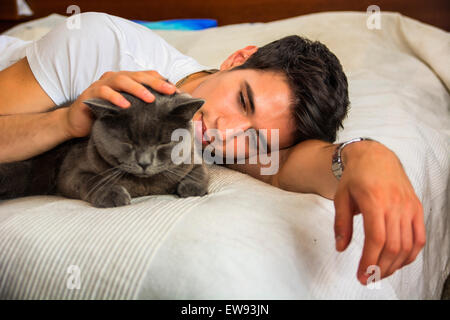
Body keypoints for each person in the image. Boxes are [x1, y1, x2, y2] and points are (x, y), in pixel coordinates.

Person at [0, 12, 425, 286]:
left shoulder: (235, 146)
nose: (225, 135)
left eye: (255, 139)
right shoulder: (100, 43)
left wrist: (370, 156)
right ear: (238, 57)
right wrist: (62, 121)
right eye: (243, 100)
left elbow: (298, 165)